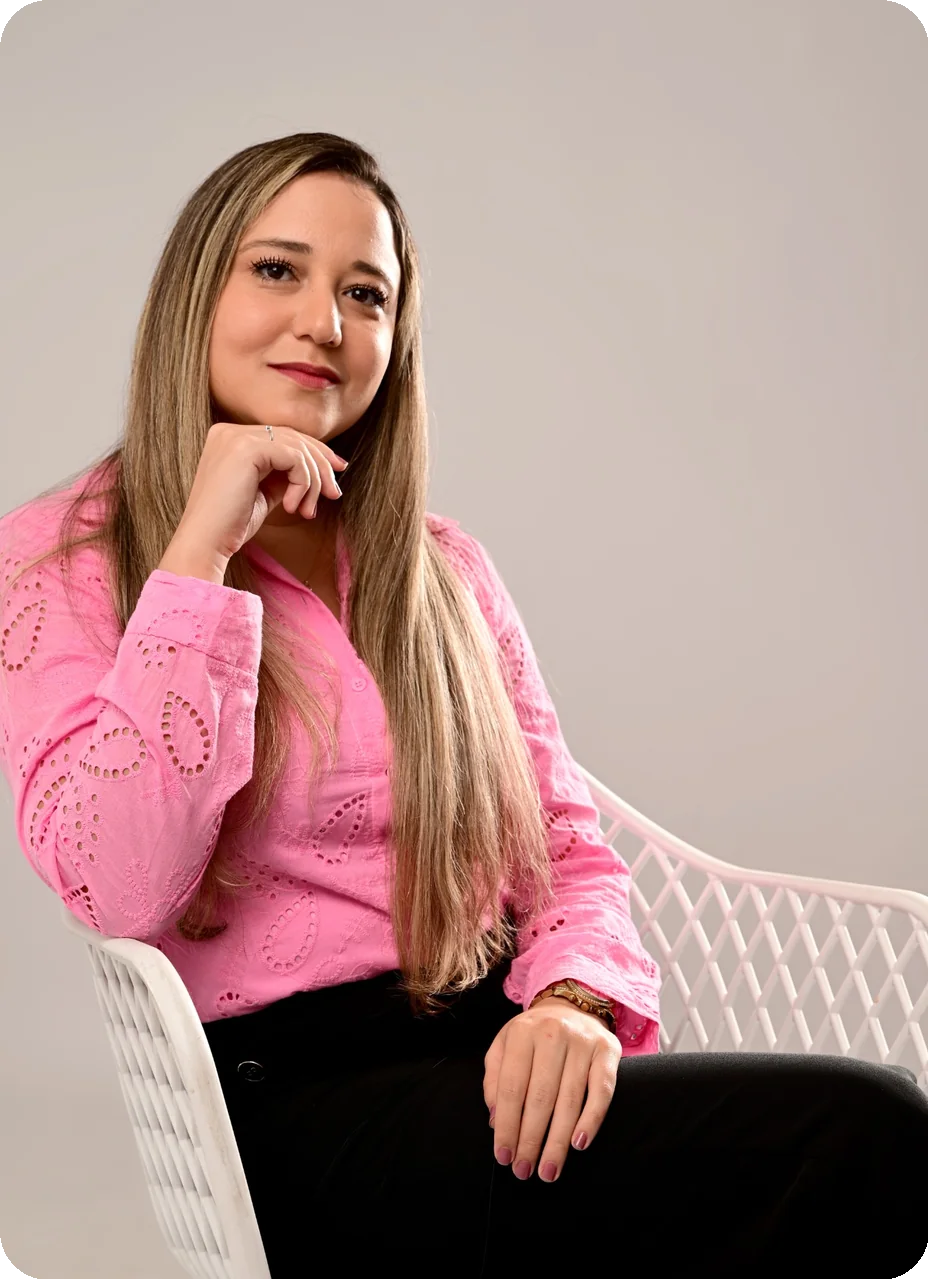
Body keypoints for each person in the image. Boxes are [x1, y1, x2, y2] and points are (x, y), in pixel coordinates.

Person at [0, 131, 926, 1278]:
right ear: (196, 293)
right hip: (299, 1114)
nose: (324, 323)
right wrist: (201, 552)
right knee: (858, 1137)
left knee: (850, 1172)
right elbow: (117, 883)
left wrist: (572, 1006)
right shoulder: (59, 562)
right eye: (278, 269)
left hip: (497, 1064)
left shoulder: (442, 573)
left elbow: (567, 852)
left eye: (366, 294)